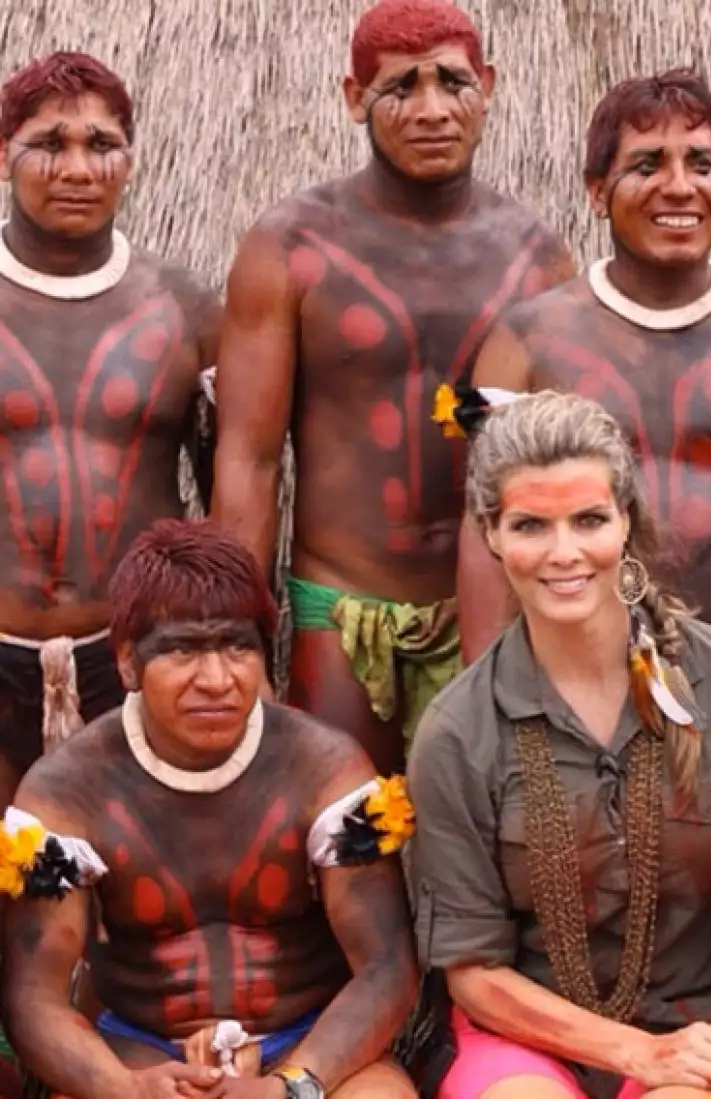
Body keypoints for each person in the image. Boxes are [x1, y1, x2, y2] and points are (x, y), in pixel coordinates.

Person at [211, 0, 575, 775]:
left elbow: (564, 463)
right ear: (354, 99)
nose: (431, 109)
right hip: (340, 608)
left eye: (452, 82)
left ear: (488, 86)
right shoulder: (291, 247)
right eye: (400, 88)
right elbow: (247, 459)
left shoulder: (536, 256)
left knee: (488, 850)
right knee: (341, 835)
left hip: (494, 610)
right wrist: (233, 633)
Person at [408, 391, 711, 1099]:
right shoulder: (457, 731)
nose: (564, 553)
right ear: (490, 533)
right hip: (524, 1038)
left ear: (626, 521)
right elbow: (474, 971)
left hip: (700, 1022)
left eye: (588, 519)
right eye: (530, 525)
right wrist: (637, 1053)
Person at [454, 69, 711, 680]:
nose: (679, 187)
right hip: (577, 673)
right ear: (597, 191)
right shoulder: (528, 340)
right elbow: (485, 525)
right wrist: (488, 690)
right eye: (647, 166)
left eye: (701, 164)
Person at [1, 518, 418, 1099]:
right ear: (127, 663)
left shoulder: (323, 767)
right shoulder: (68, 790)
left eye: (236, 646)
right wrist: (129, 1088)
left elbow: (387, 968)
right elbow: (32, 996)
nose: (217, 679)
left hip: (311, 1044)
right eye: (183, 650)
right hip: (139, 1051)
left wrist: (292, 1085)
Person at [0, 51, 219, 809]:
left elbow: (235, 488)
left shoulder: (183, 307)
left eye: (102, 144)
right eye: (49, 144)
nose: (78, 168)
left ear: (130, 157)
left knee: (119, 893)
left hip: (132, 654)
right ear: (4, 154)